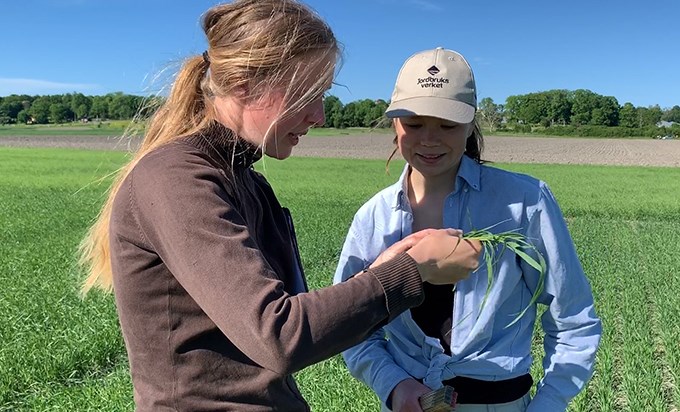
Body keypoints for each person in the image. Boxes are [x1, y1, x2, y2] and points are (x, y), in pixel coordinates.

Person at [78, 3, 482, 411]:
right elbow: (280, 336)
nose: (319, 116)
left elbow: (297, 317)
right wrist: (412, 273)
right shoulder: (176, 179)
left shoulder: (246, 181)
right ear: (242, 84)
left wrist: (384, 271)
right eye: (308, 95)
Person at [334, 47, 602, 412]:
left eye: (447, 124)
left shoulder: (524, 203)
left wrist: (547, 404)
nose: (429, 139)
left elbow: (573, 323)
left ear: (472, 122)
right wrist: (393, 384)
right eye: (413, 124)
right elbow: (351, 326)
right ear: (393, 123)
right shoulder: (374, 218)